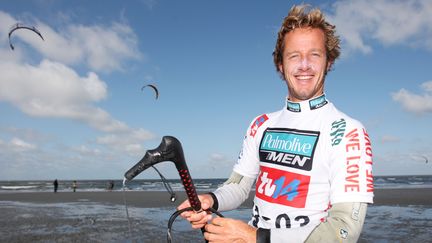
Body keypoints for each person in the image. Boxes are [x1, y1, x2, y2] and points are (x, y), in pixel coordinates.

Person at [178, 4, 374, 243]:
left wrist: (254, 237)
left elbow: (344, 230)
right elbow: (238, 186)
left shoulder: (348, 131)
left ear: (329, 61)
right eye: (294, 56)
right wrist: (210, 199)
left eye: (314, 54)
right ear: (280, 65)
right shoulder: (260, 124)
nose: (304, 65)